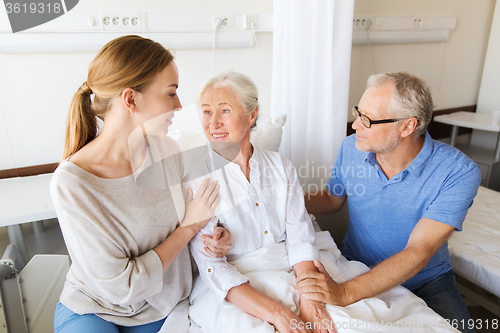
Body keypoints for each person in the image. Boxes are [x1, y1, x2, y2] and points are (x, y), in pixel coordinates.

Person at [50, 35, 230, 333]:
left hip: (163, 305)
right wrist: (190, 228)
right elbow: (123, 286)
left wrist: (217, 236)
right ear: (130, 99)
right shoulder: (73, 184)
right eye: (171, 93)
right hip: (96, 309)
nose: (180, 104)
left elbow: (196, 221)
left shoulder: (167, 152)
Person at [298, 71, 481, 333]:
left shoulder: (458, 172)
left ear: (407, 126)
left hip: (426, 281)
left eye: (367, 119)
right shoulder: (352, 148)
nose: (355, 125)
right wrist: (283, 200)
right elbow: (331, 198)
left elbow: (418, 252)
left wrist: (345, 293)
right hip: (355, 268)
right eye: (357, 113)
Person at [185, 71, 335, 333]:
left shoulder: (280, 166)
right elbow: (211, 266)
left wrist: (311, 299)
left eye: (225, 111)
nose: (213, 122)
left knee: (343, 322)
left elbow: (300, 236)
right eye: (207, 112)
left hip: (292, 269)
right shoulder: (198, 178)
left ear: (252, 115)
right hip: (236, 285)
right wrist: (277, 313)